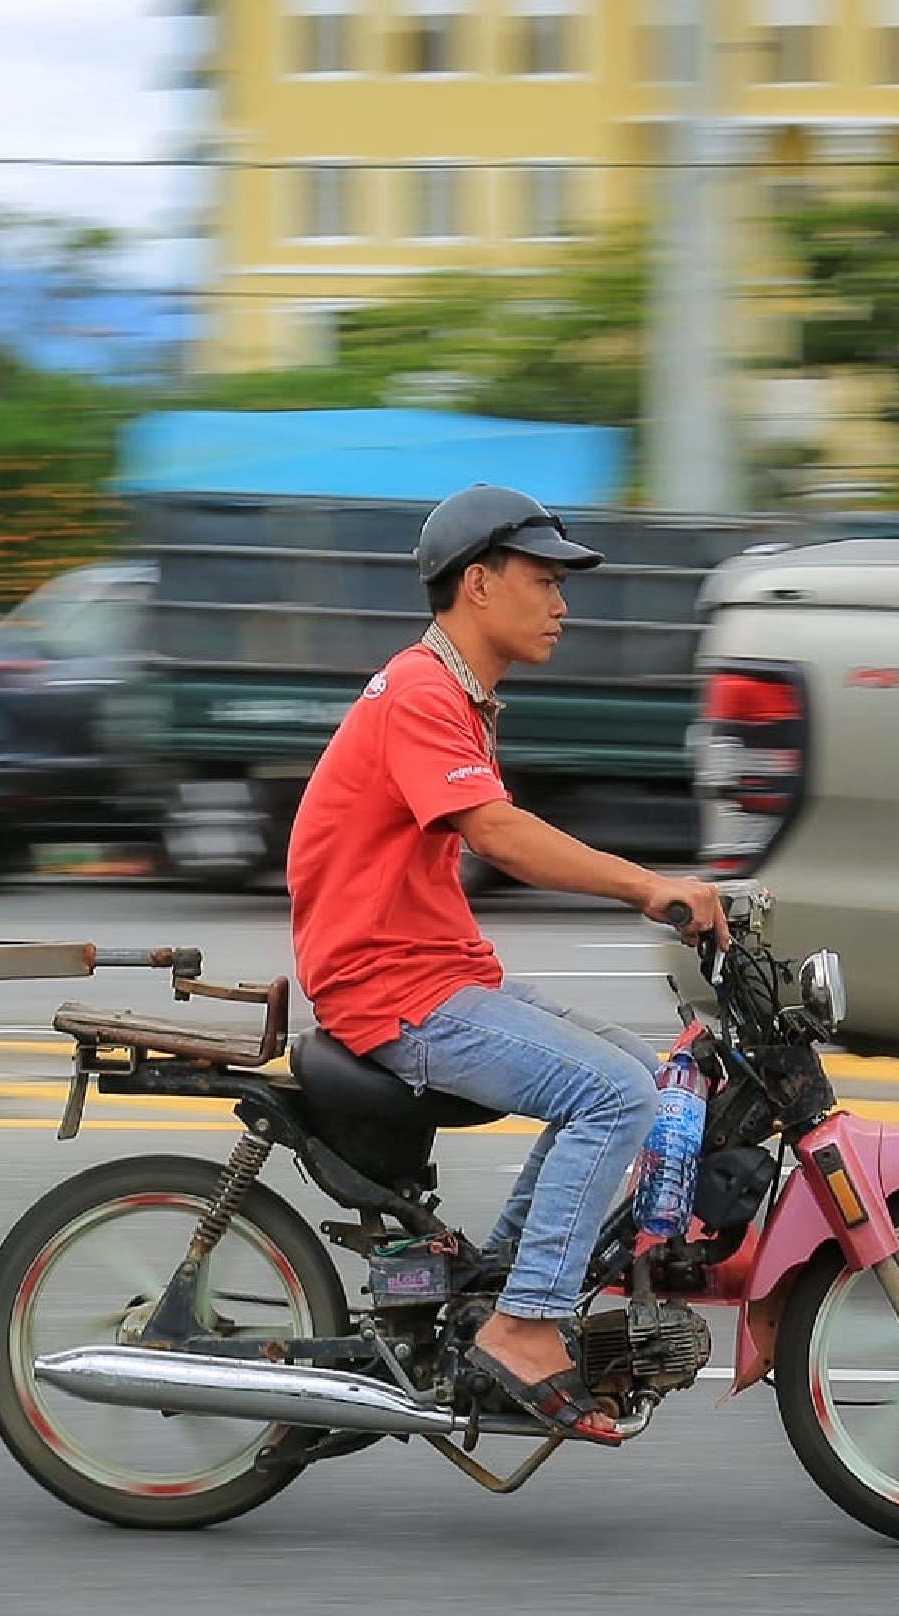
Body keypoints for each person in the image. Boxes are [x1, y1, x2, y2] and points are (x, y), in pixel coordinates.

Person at [285, 483, 727, 1444]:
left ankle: (505, 1290)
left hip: (437, 974)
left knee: (651, 1081)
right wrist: (651, 888)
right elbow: (501, 836)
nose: (563, 602)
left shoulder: (457, 695)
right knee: (614, 1094)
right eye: (544, 579)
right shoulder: (420, 693)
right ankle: (526, 1326)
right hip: (394, 993)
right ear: (478, 585)